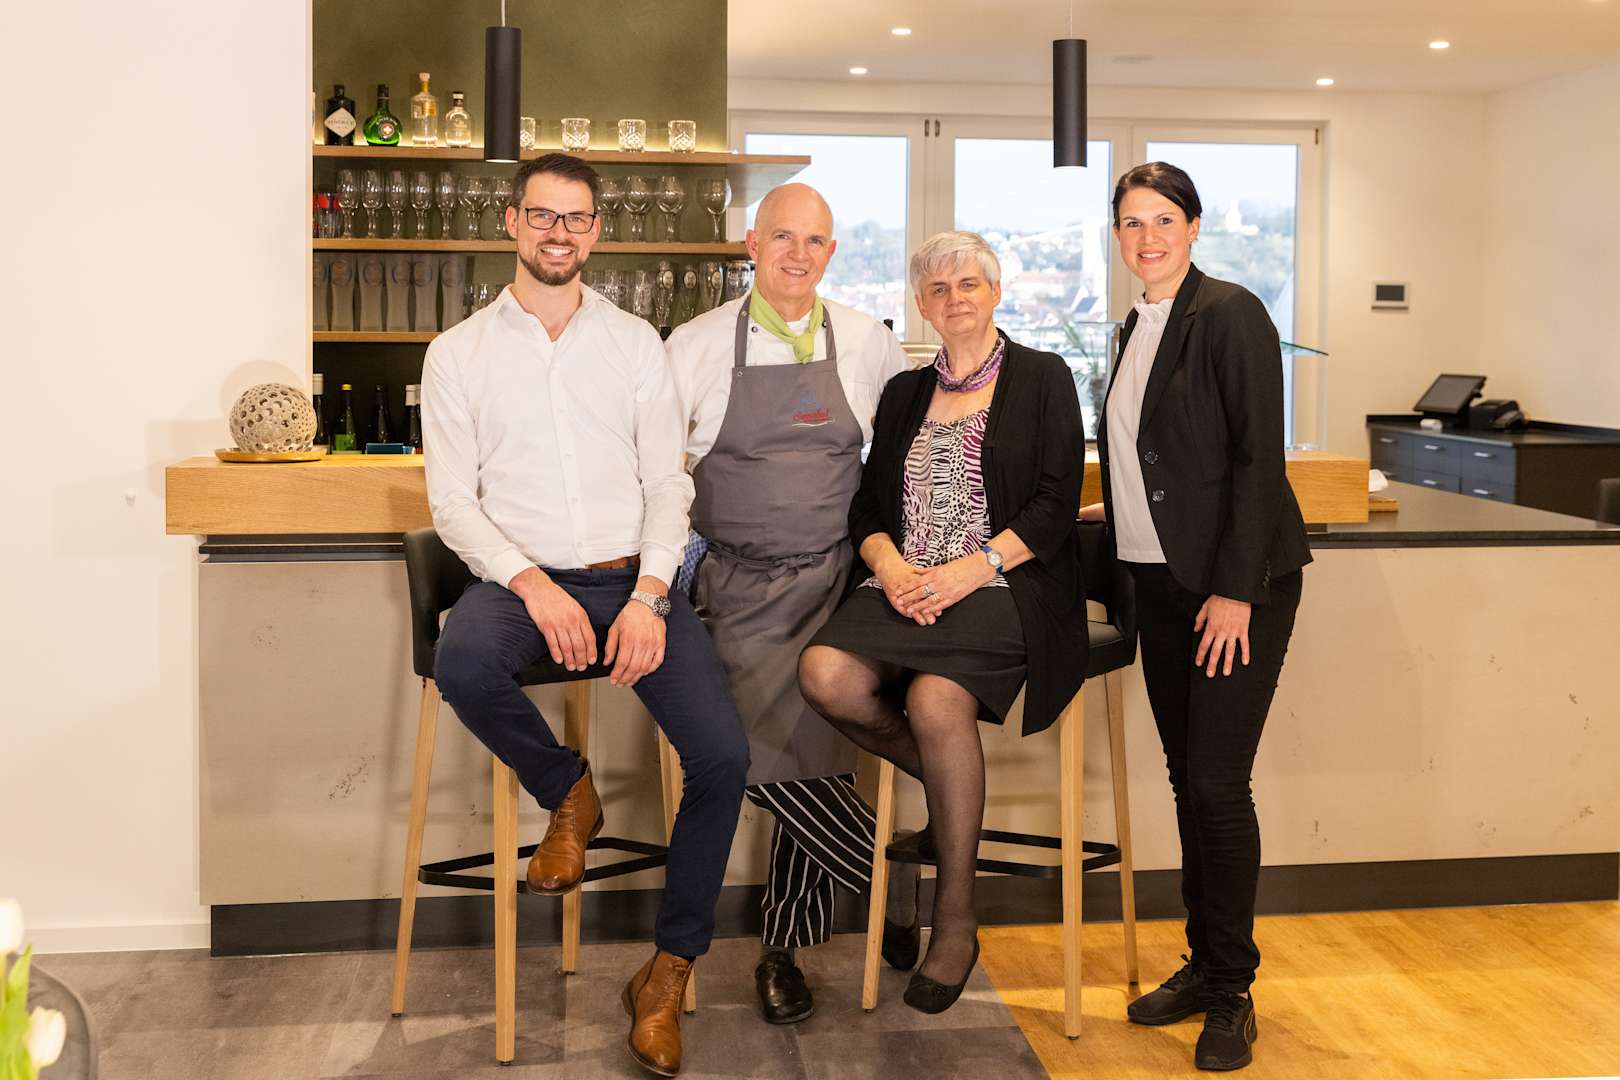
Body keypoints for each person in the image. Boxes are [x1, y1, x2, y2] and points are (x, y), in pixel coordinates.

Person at [421, 152, 750, 1078]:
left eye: (575, 218)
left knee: (723, 758)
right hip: (519, 584)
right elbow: (452, 504)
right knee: (462, 662)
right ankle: (568, 790)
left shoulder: (636, 344)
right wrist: (531, 584)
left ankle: (668, 972)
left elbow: (667, 484)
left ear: (597, 231)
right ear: (512, 223)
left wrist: (650, 594)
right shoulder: (457, 354)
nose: (558, 232)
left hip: (631, 582)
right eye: (542, 215)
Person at [799, 230, 1089, 1014]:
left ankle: (955, 918)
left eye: (968, 284)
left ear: (995, 293)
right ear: (921, 305)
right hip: (905, 581)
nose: (954, 298)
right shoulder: (903, 392)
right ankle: (948, 784)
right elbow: (866, 508)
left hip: (1005, 582)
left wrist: (970, 570)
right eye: (937, 289)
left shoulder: (1043, 377)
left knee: (934, 701)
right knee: (824, 674)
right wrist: (894, 570)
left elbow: (1056, 504)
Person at [665, 183, 916, 1026]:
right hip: (734, 588)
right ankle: (898, 880)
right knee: (745, 752)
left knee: (821, 747)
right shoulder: (696, 346)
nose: (798, 254)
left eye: (814, 241)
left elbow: (907, 461)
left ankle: (784, 950)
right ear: (751, 244)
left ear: (831, 253)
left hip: (840, 584)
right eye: (782, 237)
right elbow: (658, 475)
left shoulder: (869, 341)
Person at [1084, 161, 1311, 1072]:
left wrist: (1236, 590)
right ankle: (1203, 963)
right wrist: (1113, 514)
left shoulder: (1230, 313)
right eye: (1132, 222)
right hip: (1161, 586)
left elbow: (1259, 460)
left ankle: (1232, 993)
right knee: (1188, 781)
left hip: (1232, 590)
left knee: (1217, 785)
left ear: (1194, 226)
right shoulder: (1134, 325)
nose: (1147, 237)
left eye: (1163, 220)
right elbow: (1155, 456)